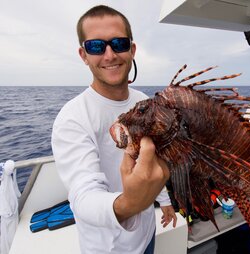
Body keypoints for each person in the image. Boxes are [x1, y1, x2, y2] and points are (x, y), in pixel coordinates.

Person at [51, 5, 177, 254]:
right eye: (96, 46)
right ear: (84, 54)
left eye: (118, 43)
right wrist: (130, 203)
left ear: (132, 50)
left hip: (147, 234)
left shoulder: (144, 103)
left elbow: (153, 159)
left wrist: (164, 201)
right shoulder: (72, 117)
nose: (109, 55)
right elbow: (83, 195)